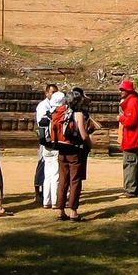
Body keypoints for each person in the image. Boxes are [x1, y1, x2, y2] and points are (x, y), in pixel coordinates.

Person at [52, 90, 90, 221]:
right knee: (75, 181)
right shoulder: (78, 114)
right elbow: (83, 135)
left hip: (61, 149)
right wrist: (90, 142)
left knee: (63, 180)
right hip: (74, 150)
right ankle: (73, 211)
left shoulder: (60, 112)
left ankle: (60, 210)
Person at [118, 79, 138, 197]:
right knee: (134, 164)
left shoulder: (132, 102)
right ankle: (136, 190)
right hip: (133, 137)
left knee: (129, 164)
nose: (120, 92)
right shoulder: (134, 101)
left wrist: (121, 118)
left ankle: (130, 190)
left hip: (131, 138)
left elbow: (131, 121)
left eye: (122, 89)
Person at [33, 83, 57, 206]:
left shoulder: (56, 105)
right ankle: (37, 191)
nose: (54, 95)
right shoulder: (43, 106)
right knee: (42, 165)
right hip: (45, 140)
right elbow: (42, 122)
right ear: (46, 93)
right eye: (52, 92)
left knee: (52, 170)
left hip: (54, 141)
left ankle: (49, 194)